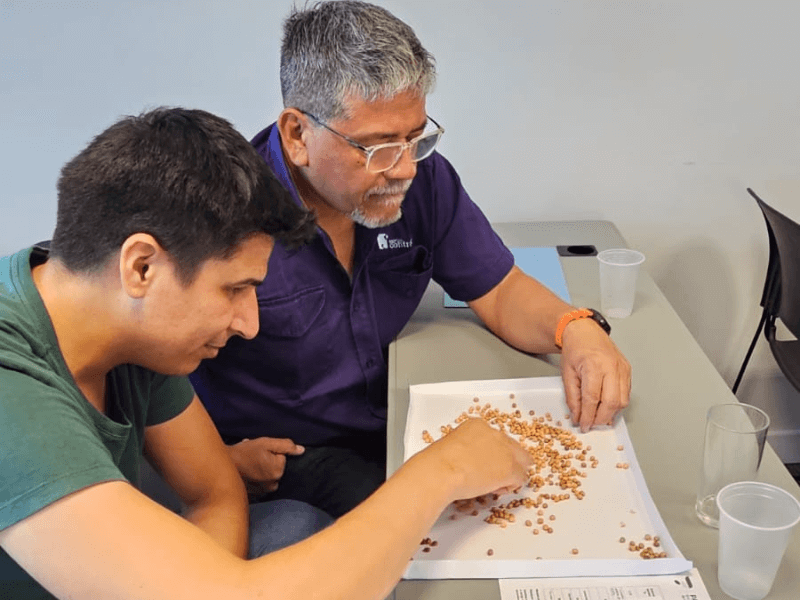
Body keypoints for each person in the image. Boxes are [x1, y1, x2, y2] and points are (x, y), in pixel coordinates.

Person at [0, 106, 534, 600]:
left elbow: (216, 493)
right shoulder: (12, 395)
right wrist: (440, 472)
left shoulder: (123, 320)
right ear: (142, 266)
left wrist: (213, 580)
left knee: (298, 528)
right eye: (234, 289)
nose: (249, 324)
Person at [190, 0, 632, 519]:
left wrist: (575, 328)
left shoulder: (422, 180)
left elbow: (499, 288)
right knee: (431, 529)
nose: (404, 169)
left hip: (398, 418)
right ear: (297, 135)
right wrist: (213, 462)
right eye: (377, 148)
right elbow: (152, 366)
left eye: (415, 137)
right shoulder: (221, 215)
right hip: (292, 454)